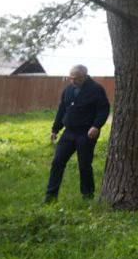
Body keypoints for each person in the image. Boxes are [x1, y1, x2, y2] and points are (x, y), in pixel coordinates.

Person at [45, 65, 110, 203]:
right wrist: (55, 129)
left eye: (76, 78)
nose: (73, 81)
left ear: (85, 76)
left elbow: (103, 110)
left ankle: (88, 196)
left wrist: (96, 126)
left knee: (84, 164)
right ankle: (50, 196)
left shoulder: (96, 90)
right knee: (57, 162)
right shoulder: (68, 90)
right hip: (69, 132)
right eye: (71, 78)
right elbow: (62, 110)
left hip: (86, 133)